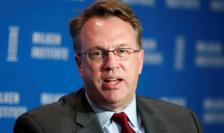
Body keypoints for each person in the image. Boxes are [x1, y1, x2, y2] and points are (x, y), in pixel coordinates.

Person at [14, 0, 202, 133]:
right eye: (97, 53)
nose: (111, 64)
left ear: (140, 61)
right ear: (80, 64)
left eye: (122, 51)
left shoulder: (184, 122)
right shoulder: (42, 127)